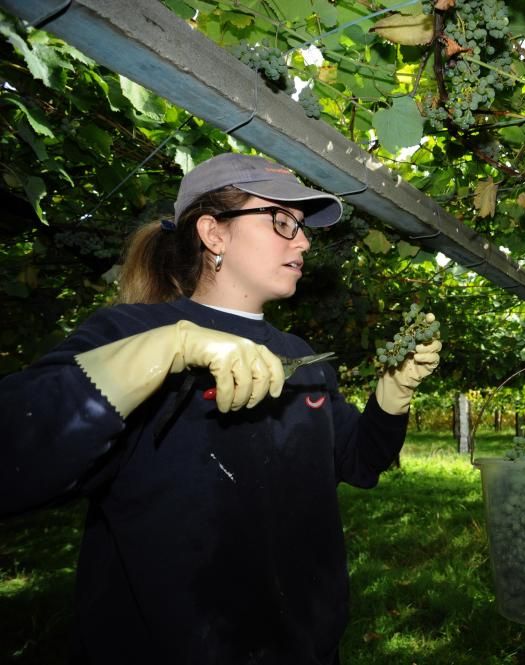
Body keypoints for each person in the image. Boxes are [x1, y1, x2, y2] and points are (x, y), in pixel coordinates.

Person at [0, 152, 442, 664]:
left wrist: (392, 396)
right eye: (282, 221)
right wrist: (160, 352)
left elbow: (359, 463)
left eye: (301, 227)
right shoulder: (126, 335)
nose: (302, 241)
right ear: (215, 234)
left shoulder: (301, 356)